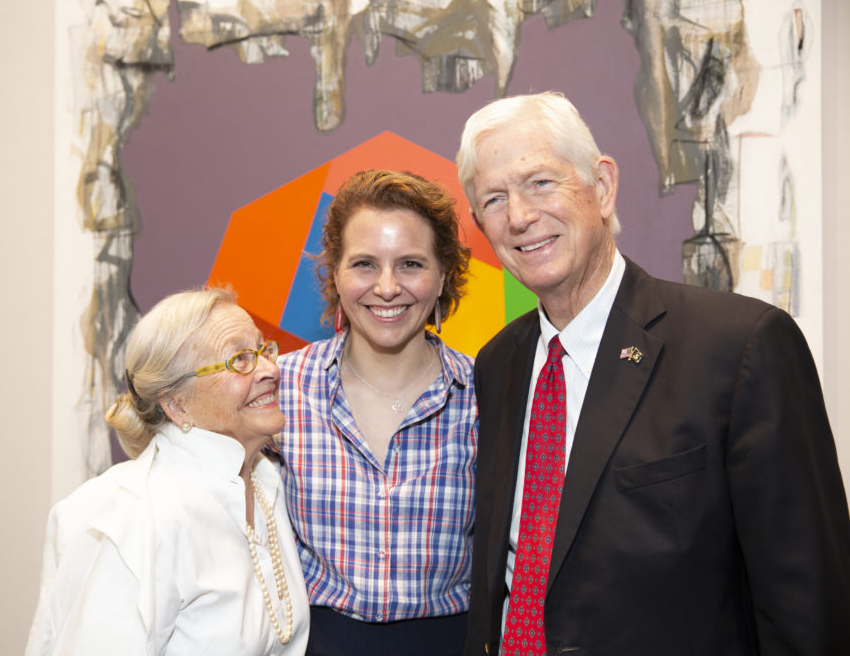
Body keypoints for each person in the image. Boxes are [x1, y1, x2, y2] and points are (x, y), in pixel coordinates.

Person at [455, 91, 850, 655]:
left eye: (540, 182)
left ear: (603, 185)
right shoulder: (498, 364)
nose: (519, 216)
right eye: (494, 199)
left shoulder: (739, 348)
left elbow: (807, 604)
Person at [25, 287, 310, 655]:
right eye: (240, 359)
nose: (271, 369)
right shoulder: (138, 516)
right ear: (177, 405)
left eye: (263, 349)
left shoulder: (268, 481)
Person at [273, 169, 478, 655]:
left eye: (410, 264)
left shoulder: (486, 393)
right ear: (335, 274)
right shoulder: (277, 389)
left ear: (443, 275)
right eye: (364, 264)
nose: (387, 287)